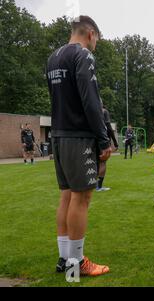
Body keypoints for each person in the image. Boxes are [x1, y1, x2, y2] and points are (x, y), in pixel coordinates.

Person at [46, 15, 112, 276]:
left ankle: (65, 259)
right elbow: (90, 100)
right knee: (82, 197)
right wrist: (103, 139)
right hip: (79, 136)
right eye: (97, 39)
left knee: (66, 195)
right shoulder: (83, 55)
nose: (96, 44)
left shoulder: (53, 58)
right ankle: (76, 264)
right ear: (91, 34)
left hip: (59, 136)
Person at [97, 102, 119, 192]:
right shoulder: (104, 111)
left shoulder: (91, 110)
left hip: (92, 140)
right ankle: (99, 186)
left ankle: (91, 184)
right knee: (103, 162)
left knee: (95, 162)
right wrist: (115, 142)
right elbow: (109, 127)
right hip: (103, 140)